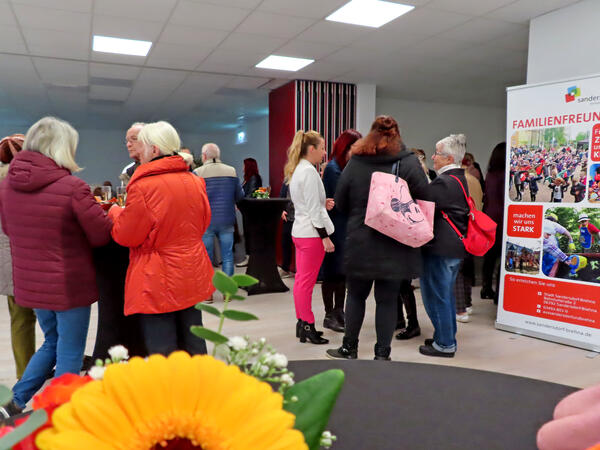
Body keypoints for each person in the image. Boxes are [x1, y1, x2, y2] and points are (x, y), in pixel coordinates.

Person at [0, 117, 112, 415]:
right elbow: (100, 235)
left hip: (32, 282)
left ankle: (14, 402)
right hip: (68, 285)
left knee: (51, 342)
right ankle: (61, 414)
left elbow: (10, 230)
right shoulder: (73, 187)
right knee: (70, 351)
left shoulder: (7, 187)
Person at [326, 116, 429, 361]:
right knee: (387, 300)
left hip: (360, 241)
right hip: (394, 243)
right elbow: (425, 196)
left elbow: (340, 201)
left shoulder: (357, 162)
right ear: (397, 135)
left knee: (356, 295)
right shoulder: (409, 162)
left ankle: (349, 348)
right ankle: (382, 354)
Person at [109, 121, 214, 356]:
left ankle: (169, 392)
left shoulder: (143, 186)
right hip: (191, 269)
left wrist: (115, 212)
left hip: (157, 277)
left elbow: (126, 236)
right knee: (194, 339)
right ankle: (201, 389)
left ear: (154, 150)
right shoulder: (195, 181)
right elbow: (204, 222)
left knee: (162, 346)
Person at [419, 134, 470, 358]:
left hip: (440, 247)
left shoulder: (444, 181)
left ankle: (445, 343)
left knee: (436, 296)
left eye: (437, 154)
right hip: (454, 247)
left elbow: (422, 200)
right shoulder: (460, 178)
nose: (433, 157)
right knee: (445, 295)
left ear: (449, 158)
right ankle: (445, 336)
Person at [285, 130, 334, 345]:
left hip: (300, 231)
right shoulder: (310, 173)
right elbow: (314, 211)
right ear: (311, 149)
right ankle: (307, 325)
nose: (324, 153)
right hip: (311, 235)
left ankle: (302, 323)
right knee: (305, 283)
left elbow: (308, 204)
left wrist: (324, 204)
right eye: (322, 148)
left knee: (301, 282)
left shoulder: (298, 171)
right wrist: (325, 238)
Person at [0, 134, 35, 381]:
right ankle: (47, 368)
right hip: (39, 257)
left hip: (8, 259)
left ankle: (26, 374)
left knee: (20, 320)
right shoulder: (38, 176)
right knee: (53, 320)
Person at [321, 129, 362, 332]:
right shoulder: (333, 169)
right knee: (332, 272)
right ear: (346, 147)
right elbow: (340, 201)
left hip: (345, 227)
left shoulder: (345, 167)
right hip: (335, 227)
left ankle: (339, 311)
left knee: (342, 273)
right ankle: (330, 314)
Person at [194, 143, 243, 280]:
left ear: (204, 156)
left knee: (207, 257)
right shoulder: (231, 171)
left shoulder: (198, 173)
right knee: (227, 256)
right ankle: (227, 291)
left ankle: (208, 292)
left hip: (206, 221)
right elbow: (240, 196)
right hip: (227, 220)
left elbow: (195, 199)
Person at [454, 162, 483, 323]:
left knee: (458, 270)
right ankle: (468, 303)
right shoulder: (474, 179)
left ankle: (461, 309)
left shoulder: (457, 181)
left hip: (462, 229)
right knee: (467, 269)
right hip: (474, 228)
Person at [481, 143, 506, 302]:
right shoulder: (505, 175)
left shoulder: (490, 174)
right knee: (502, 257)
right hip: (502, 219)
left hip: (489, 218)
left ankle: (486, 287)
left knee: (490, 257)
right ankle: (499, 294)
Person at [279, 180, 295, 278]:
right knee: (285, 243)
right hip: (288, 218)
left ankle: (302, 270)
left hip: (301, 218)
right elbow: (281, 198)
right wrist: (281, 210)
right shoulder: (286, 182)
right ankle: (285, 269)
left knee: (301, 245)